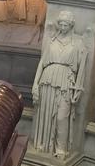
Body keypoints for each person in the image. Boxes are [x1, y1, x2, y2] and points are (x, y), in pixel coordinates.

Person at [32, 11, 88, 158]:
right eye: (61, 24)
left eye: (66, 25)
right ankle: (44, 144)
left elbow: (81, 68)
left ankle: (61, 148)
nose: (62, 27)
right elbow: (41, 64)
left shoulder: (77, 43)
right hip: (47, 80)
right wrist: (35, 84)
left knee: (62, 117)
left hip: (66, 82)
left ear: (71, 26)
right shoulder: (52, 40)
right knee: (46, 113)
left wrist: (78, 89)